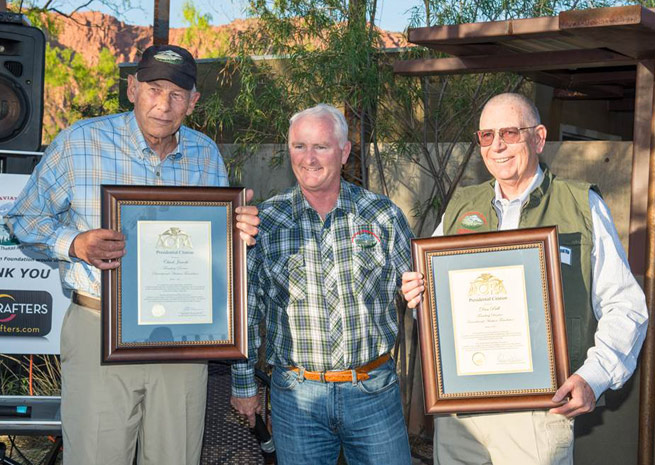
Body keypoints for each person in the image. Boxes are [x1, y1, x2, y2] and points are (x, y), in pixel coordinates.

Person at [6, 44, 260, 465]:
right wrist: (74, 244)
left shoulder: (206, 155)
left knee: (175, 457)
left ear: (193, 102)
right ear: (132, 88)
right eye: (153, 88)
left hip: (182, 340)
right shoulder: (80, 142)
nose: (164, 104)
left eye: (177, 94)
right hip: (98, 326)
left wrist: (238, 234)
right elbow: (23, 218)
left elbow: (216, 253)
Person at [401, 92, 648, 465]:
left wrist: (592, 377)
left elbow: (626, 306)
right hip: (460, 416)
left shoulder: (581, 206)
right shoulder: (460, 207)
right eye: (486, 136)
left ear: (539, 137)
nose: (497, 146)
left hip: (538, 413)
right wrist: (418, 295)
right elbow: (434, 308)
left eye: (510, 133)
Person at [230, 103, 413, 465]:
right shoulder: (265, 222)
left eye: (321, 147)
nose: (308, 158)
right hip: (296, 397)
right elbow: (245, 312)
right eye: (299, 146)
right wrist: (244, 385)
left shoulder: (383, 215)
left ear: (344, 152)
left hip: (373, 391)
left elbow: (421, 296)